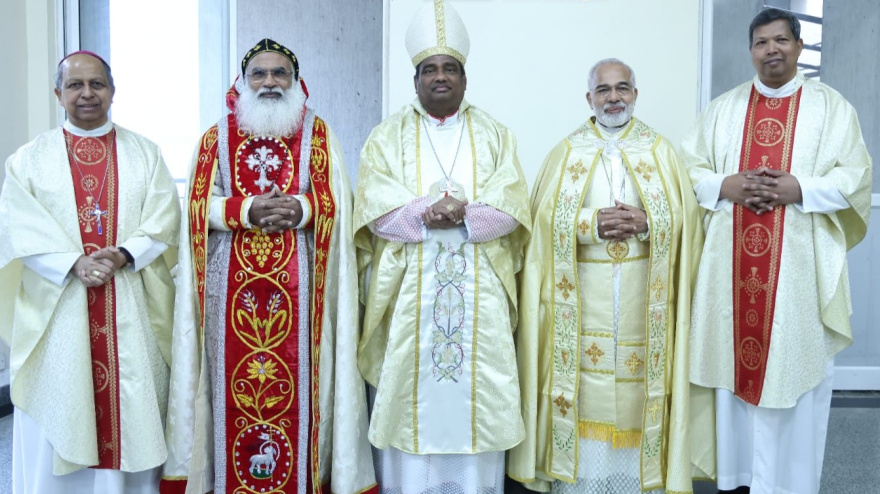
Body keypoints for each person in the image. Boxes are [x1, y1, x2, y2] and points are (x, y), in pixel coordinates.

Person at [161, 39, 377, 494]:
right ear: (243, 83)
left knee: (304, 388)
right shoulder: (216, 137)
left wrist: (301, 208)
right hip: (228, 295)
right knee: (226, 391)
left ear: (296, 82)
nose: (270, 82)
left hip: (303, 294)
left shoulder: (318, 134)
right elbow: (196, 208)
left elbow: (338, 202)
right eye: (259, 74)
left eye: (280, 73)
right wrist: (245, 209)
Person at [681, 8, 872, 494]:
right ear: (750, 50)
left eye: (781, 40)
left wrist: (799, 188)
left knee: (794, 366)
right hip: (729, 267)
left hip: (798, 268)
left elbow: (855, 177)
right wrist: (726, 184)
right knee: (732, 366)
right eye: (762, 42)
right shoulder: (723, 109)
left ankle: (790, 483)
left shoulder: (831, 108)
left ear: (799, 46)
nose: (771, 50)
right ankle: (739, 478)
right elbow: (687, 170)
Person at [507, 58, 710, 493]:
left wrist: (648, 222)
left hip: (642, 299)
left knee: (640, 392)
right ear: (589, 98)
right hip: (583, 300)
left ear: (635, 94)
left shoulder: (660, 152)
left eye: (622, 88)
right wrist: (590, 224)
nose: (613, 98)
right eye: (604, 90)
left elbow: (687, 222)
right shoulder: (567, 152)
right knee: (585, 394)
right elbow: (540, 222)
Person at [353, 1, 532, 492]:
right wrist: (424, 213)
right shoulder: (387, 137)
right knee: (410, 399)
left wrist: (464, 215)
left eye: (449, 68)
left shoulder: (494, 135)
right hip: (410, 291)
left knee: (479, 394)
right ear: (415, 80)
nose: (440, 77)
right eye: (429, 69)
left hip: (480, 293)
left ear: (464, 78)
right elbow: (372, 209)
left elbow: (513, 206)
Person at [0, 51, 180, 493]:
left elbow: (164, 217)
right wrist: (74, 263)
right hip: (59, 304)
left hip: (130, 302)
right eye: (75, 85)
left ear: (112, 91)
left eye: (97, 84)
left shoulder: (145, 153)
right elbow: (20, 227)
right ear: (58, 93)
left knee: (131, 407)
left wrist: (122, 254)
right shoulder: (27, 160)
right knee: (62, 398)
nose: (87, 94)